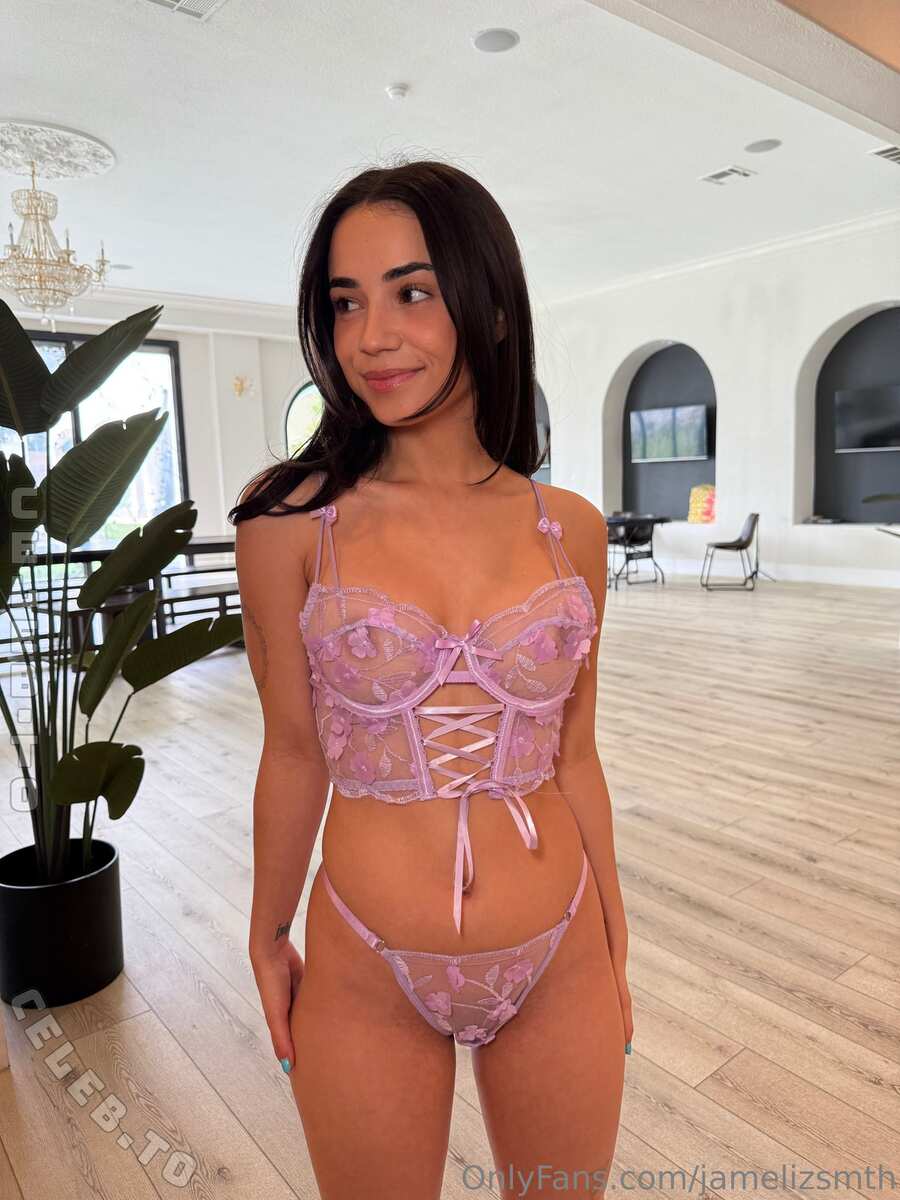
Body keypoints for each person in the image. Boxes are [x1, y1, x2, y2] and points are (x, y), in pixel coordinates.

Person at [230, 158, 632, 1199]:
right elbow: (292, 751)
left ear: (489, 306)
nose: (371, 336)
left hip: (560, 948)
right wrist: (268, 932)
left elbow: (577, 757)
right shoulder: (288, 524)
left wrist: (614, 934)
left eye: (411, 292)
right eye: (345, 302)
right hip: (366, 958)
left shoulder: (570, 529)